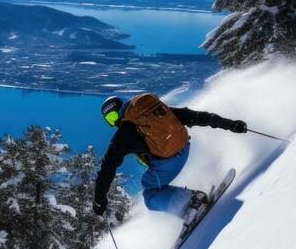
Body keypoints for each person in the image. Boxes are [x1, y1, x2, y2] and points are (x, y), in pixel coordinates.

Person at [93, 93, 247, 220]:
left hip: (167, 162)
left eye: (113, 117)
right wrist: (230, 124)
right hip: (184, 148)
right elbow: (193, 116)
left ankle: (192, 202)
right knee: (157, 185)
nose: (115, 121)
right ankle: (192, 199)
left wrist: (99, 200)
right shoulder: (154, 112)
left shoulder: (122, 135)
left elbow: (107, 168)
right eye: (110, 119)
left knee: (150, 194)